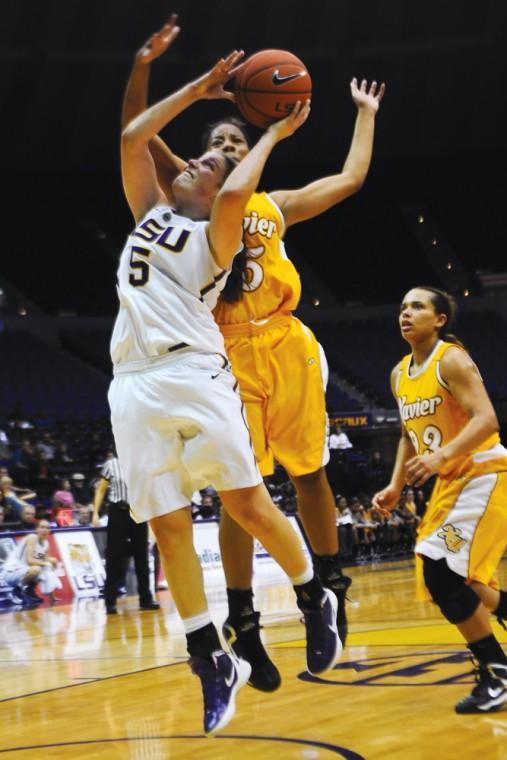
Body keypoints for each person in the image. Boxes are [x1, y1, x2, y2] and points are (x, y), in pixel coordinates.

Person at [122, 14, 384, 690]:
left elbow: (351, 180)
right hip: (221, 351)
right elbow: (137, 136)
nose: (227, 143)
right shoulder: (198, 196)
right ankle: (243, 618)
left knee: (309, 473)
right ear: (201, 160)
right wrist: (156, 72)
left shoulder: (274, 203)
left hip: (285, 342)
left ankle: (328, 582)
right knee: (240, 491)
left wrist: (364, 113)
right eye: (217, 138)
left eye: (238, 137)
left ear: (251, 149)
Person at [372, 286, 507, 713]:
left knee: (441, 570)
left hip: (485, 471)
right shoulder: (398, 374)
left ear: (440, 319)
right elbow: (407, 436)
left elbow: (487, 419)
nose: (405, 313)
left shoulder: (451, 358)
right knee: (455, 580)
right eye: (402, 306)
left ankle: (497, 672)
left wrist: (444, 454)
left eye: (416, 306)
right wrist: (395, 486)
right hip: (452, 482)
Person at [92, 452, 160, 615]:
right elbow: (101, 489)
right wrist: (95, 512)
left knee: (141, 557)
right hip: (118, 511)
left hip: (138, 512)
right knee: (114, 557)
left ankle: (145, 599)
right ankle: (110, 602)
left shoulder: (141, 464)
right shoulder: (111, 464)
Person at [4, 519, 62, 606]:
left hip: (24, 572)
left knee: (50, 564)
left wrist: (52, 597)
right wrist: (46, 563)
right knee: (37, 568)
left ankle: (29, 590)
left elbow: (48, 570)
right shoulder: (32, 537)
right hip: (11, 572)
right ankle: (16, 590)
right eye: (42, 527)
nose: (45, 530)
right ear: (37, 529)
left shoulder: (46, 544)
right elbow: (30, 560)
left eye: (47, 528)